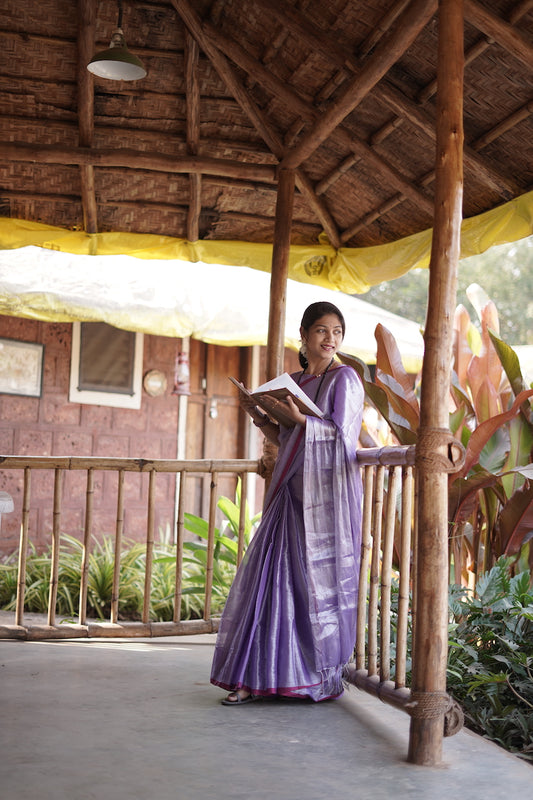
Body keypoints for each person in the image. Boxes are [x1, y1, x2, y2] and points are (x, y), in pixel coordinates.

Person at [210, 301, 364, 704]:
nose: (330, 339)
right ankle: (250, 678)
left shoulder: (344, 380)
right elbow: (289, 442)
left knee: (310, 587)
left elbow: (342, 441)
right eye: (321, 331)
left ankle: (310, 678)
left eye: (337, 332)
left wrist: (299, 419)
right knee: (269, 583)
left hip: (321, 502)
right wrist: (261, 416)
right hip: (288, 493)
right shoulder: (294, 381)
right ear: (304, 336)